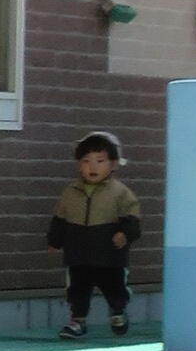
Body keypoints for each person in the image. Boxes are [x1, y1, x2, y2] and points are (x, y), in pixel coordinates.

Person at [47, 127, 141, 339]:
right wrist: (55, 239)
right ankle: (77, 321)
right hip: (78, 252)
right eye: (86, 161)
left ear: (113, 164)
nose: (92, 167)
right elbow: (60, 217)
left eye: (100, 161)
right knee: (77, 289)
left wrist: (125, 233)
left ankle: (118, 312)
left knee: (114, 286)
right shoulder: (71, 192)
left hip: (109, 253)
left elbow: (132, 217)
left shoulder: (120, 192)